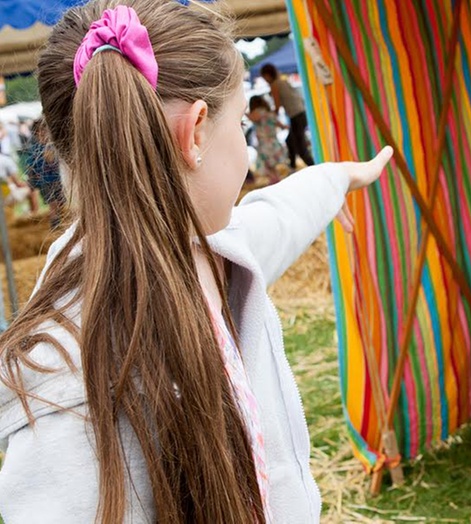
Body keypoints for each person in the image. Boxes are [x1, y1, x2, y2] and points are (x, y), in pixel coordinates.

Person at [0, 1, 392, 522]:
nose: (246, 156)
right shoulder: (69, 371)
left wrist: (336, 179)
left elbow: (276, 216)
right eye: (238, 126)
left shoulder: (210, 247)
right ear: (197, 132)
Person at [260, 63, 315, 169]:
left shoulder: (275, 85)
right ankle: (293, 166)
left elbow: (277, 105)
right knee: (290, 141)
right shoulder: (283, 81)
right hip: (301, 114)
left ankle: (313, 167)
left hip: (296, 116)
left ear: (268, 75)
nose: (264, 79)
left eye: (264, 77)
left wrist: (269, 117)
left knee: (300, 147)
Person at [22, 118, 64, 227]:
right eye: (42, 131)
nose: (46, 134)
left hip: (58, 180)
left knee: (60, 202)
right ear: (37, 133)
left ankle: (59, 220)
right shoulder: (36, 150)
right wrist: (32, 183)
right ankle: (54, 223)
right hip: (45, 182)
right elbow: (31, 167)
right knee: (52, 203)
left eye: (47, 130)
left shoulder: (55, 147)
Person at [248, 95, 287, 184]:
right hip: (273, 142)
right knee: (271, 166)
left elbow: (251, 118)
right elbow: (280, 124)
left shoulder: (258, 112)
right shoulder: (269, 113)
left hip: (265, 144)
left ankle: (274, 180)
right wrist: (284, 126)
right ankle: (276, 180)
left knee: (264, 166)